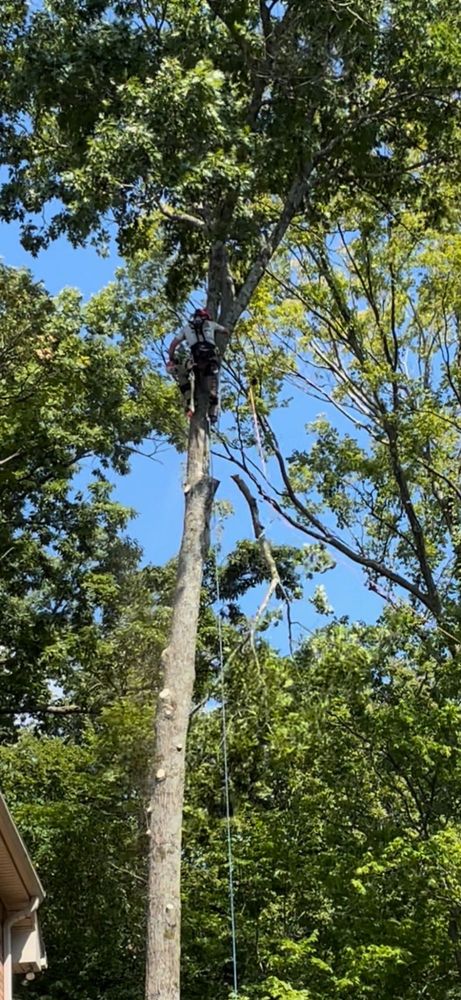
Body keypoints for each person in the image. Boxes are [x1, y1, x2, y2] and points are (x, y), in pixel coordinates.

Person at [167, 308, 229, 420]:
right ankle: (213, 412)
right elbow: (225, 331)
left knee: (179, 372)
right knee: (212, 387)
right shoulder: (211, 324)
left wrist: (172, 359)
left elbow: (172, 345)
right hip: (210, 359)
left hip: (195, 361)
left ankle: (189, 400)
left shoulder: (186, 328)